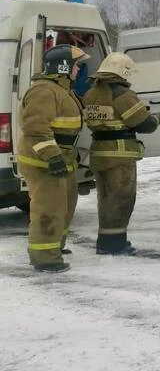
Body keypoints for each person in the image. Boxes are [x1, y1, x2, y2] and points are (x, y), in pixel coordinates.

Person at [16, 44, 89, 272]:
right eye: (77, 65)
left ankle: (55, 245)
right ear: (64, 66)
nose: (79, 70)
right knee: (48, 208)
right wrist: (53, 157)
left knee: (65, 203)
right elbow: (36, 128)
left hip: (60, 158)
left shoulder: (61, 89)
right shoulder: (44, 91)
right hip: (44, 161)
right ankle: (45, 257)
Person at [82, 52, 160, 255]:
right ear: (122, 72)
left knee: (106, 198)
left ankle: (106, 240)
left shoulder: (91, 93)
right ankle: (113, 244)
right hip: (119, 155)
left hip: (99, 153)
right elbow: (144, 124)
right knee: (121, 198)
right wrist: (157, 118)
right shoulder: (122, 94)